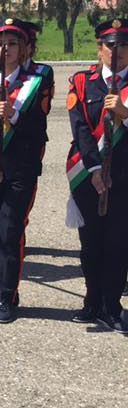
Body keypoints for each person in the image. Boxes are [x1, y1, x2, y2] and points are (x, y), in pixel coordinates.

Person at [0, 19, 51, 323]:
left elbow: (39, 128)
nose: (6, 49)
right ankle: (5, 291)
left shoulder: (37, 80)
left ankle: (7, 297)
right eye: (1, 43)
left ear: (23, 48)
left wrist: (14, 115)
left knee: (11, 232)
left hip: (20, 170)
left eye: (13, 43)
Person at [64, 18, 128, 333]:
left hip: (124, 178)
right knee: (90, 244)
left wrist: (124, 114)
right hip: (88, 175)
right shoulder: (81, 82)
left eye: (124, 45)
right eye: (111, 45)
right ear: (100, 48)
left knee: (118, 244)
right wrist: (93, 169)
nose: (117, 51)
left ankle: (111, 306)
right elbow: (79, 129)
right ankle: (92, 301)